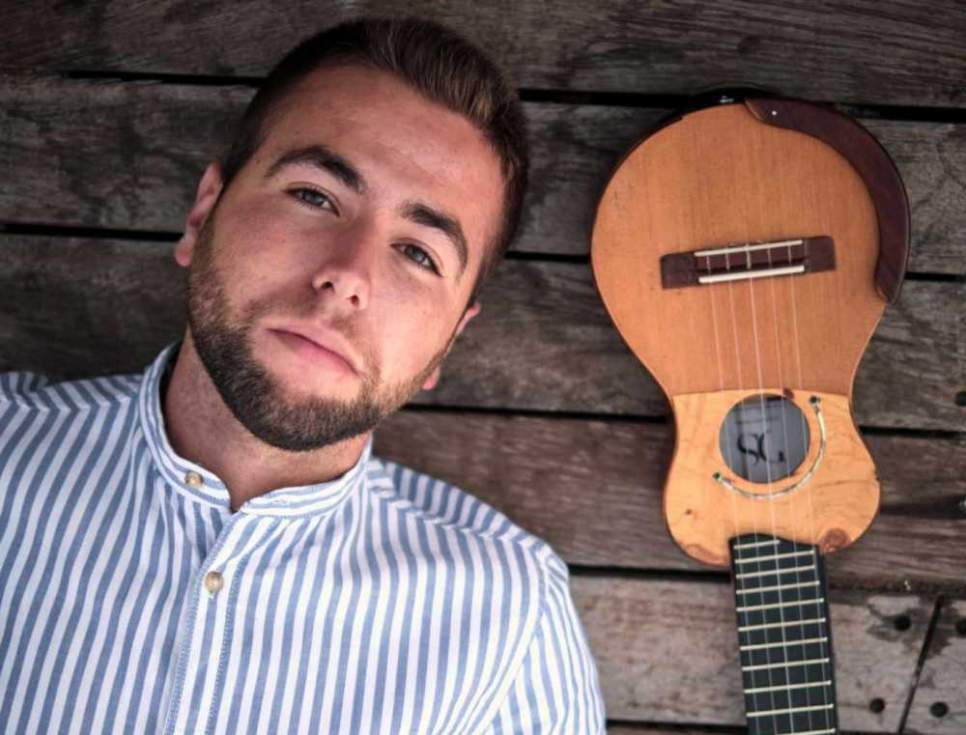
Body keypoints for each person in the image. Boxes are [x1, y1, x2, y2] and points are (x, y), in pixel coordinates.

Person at [0, 16, 605, 735]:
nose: (348, 276)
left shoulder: (511, 623)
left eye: (418, 253)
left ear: (448, 341)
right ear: (202, 214)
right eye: (315, 196)